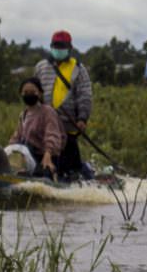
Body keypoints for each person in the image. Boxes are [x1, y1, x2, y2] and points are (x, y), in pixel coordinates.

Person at [30, 30, 95, 179]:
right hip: (45, 124)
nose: (58, 50)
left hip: (68, 125)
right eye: (56, 46)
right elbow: (34, 90)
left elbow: (84, 95)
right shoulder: (41, 67)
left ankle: (84, 176)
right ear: (51, 47)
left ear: (69, 48)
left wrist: (82, 118)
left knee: (71, 166)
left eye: (62, 47)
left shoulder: (78, 69)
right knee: (43, 158)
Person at [10, 78, 66, 178]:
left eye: (32, 92)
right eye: (25, 92)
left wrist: (48, 153)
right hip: (27, 156)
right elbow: (17, 137)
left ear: (39, 94)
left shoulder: (47, 111)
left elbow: (52, 135)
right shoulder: (23, 115)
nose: (29, 95)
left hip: (45, 155)